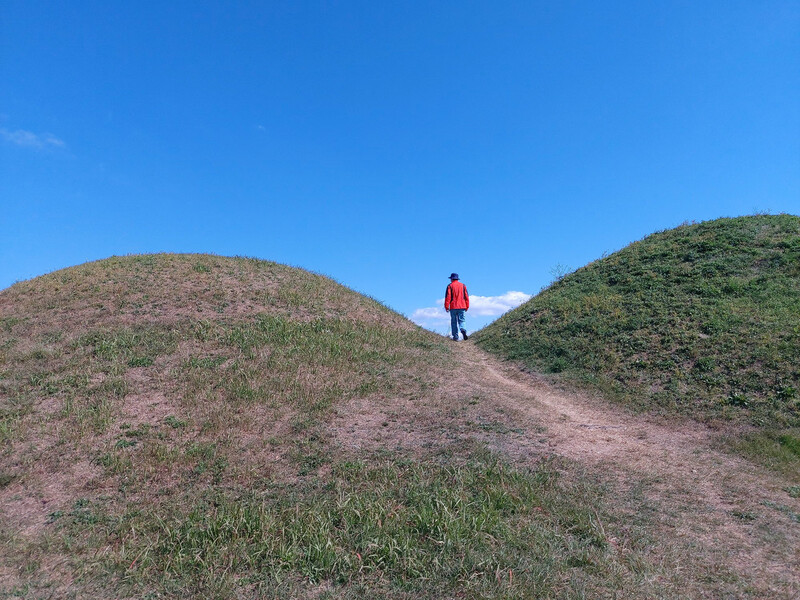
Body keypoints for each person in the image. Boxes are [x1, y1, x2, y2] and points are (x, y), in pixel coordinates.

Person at [444, 272, 469, 341]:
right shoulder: (463, 286)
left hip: (453, 306)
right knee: (462, 320)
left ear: (451, 279)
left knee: (454, 322)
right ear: (457, 279)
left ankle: (455, 337)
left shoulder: (450, 286)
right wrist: (467, 306)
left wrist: (446, 306)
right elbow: (466, 296)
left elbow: (448, 297)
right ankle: (463, 330)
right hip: (462, 306)